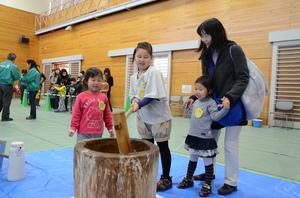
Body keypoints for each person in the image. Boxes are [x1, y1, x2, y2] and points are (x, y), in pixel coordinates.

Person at [184, 18, 249, 195]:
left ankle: (231, 182)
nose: (203, 39)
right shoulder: (206, 54)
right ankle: (209, 173)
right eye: (201, 36)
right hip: (212, 106)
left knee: (230, 145)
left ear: (217, 33)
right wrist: (193, 96)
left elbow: (243, 77)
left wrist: (230, 96)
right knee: (208, 142)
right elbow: (206, 82)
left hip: (232, 106)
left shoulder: (233, 50)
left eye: (206, 35)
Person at [129, 42, 173, 192]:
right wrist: (134, 100)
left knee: (162, 147)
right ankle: (148, 174)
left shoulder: (153, 72)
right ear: (134, 57)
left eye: (145, 57)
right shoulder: (134, 76)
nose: (142, 59)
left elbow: (152, 96)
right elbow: (133, 94)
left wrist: (138, 104)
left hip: (158, 118)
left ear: (151, 58)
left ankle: (166, 178)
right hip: (143, 118)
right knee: (147, 148)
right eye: (139, 56)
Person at [177, 76, 230, 197]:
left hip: (204, 138)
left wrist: (226, 108)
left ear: (209, 90)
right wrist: (185, 108)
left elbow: (215, 117)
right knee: (192, 159)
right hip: (193, 136)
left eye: (200, 89)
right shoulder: (196, 102)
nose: (197, 92)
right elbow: (192, 117)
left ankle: (207, 184)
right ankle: (188, 179)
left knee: (207, 161)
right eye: (196, 89)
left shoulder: (210, 103)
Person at [69, 67, 114, 142]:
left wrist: (110, 128)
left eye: (99, 80)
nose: (96, 82)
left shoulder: (103, 98)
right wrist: (73, 127)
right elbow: (76, 114)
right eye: (93, 80)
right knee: (82, 151)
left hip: (98, 132)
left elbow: (107, 115)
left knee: (95, 152)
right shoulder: (81, 97)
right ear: (86, 81)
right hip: (83, 132)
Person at [0, 53, 20, 121]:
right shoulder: (14, 67)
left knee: (0, 100)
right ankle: (5, 116)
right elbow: (17, 77)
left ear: (7, 57)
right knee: (6, 101)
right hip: (7, 85)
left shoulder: (0, 64)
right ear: (14, 59)